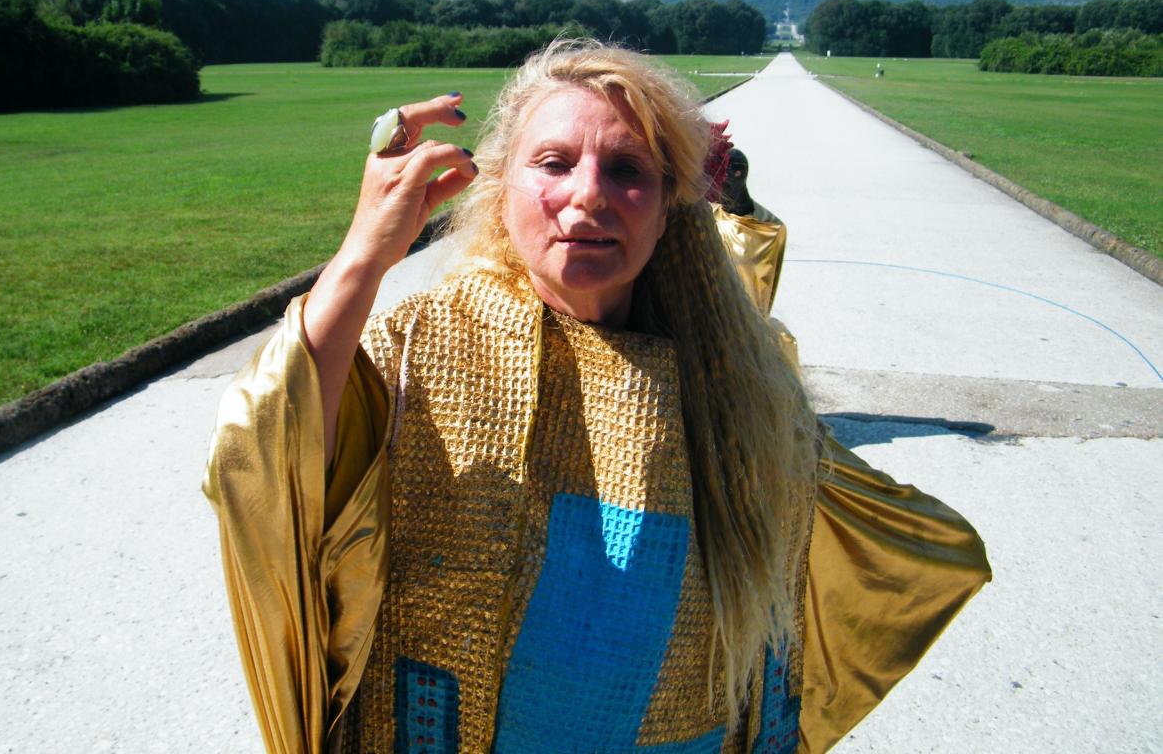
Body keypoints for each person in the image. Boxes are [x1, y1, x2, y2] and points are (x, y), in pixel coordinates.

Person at [204, 40, 990, 754]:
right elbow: (267, 451)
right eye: (553, 163)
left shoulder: (740, 381)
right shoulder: (419, 346)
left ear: (670, 207)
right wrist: (364, 252)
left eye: (626, 170)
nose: (586, 197)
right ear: (500, 187)